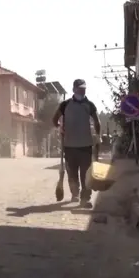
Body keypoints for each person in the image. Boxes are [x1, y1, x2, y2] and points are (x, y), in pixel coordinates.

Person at [52, 79, 101, 208]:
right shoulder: (65, 105)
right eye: (79, 88)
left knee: (86, 174)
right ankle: (75, 194)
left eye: (84, 88)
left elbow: (97, 122)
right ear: (74, 89)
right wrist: (60, 128)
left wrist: (98, 137)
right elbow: (54, 119)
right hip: (69, 146)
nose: (82, 90)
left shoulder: (89, 105)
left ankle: (85, 198)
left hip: (85, 146)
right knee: (72, 173)